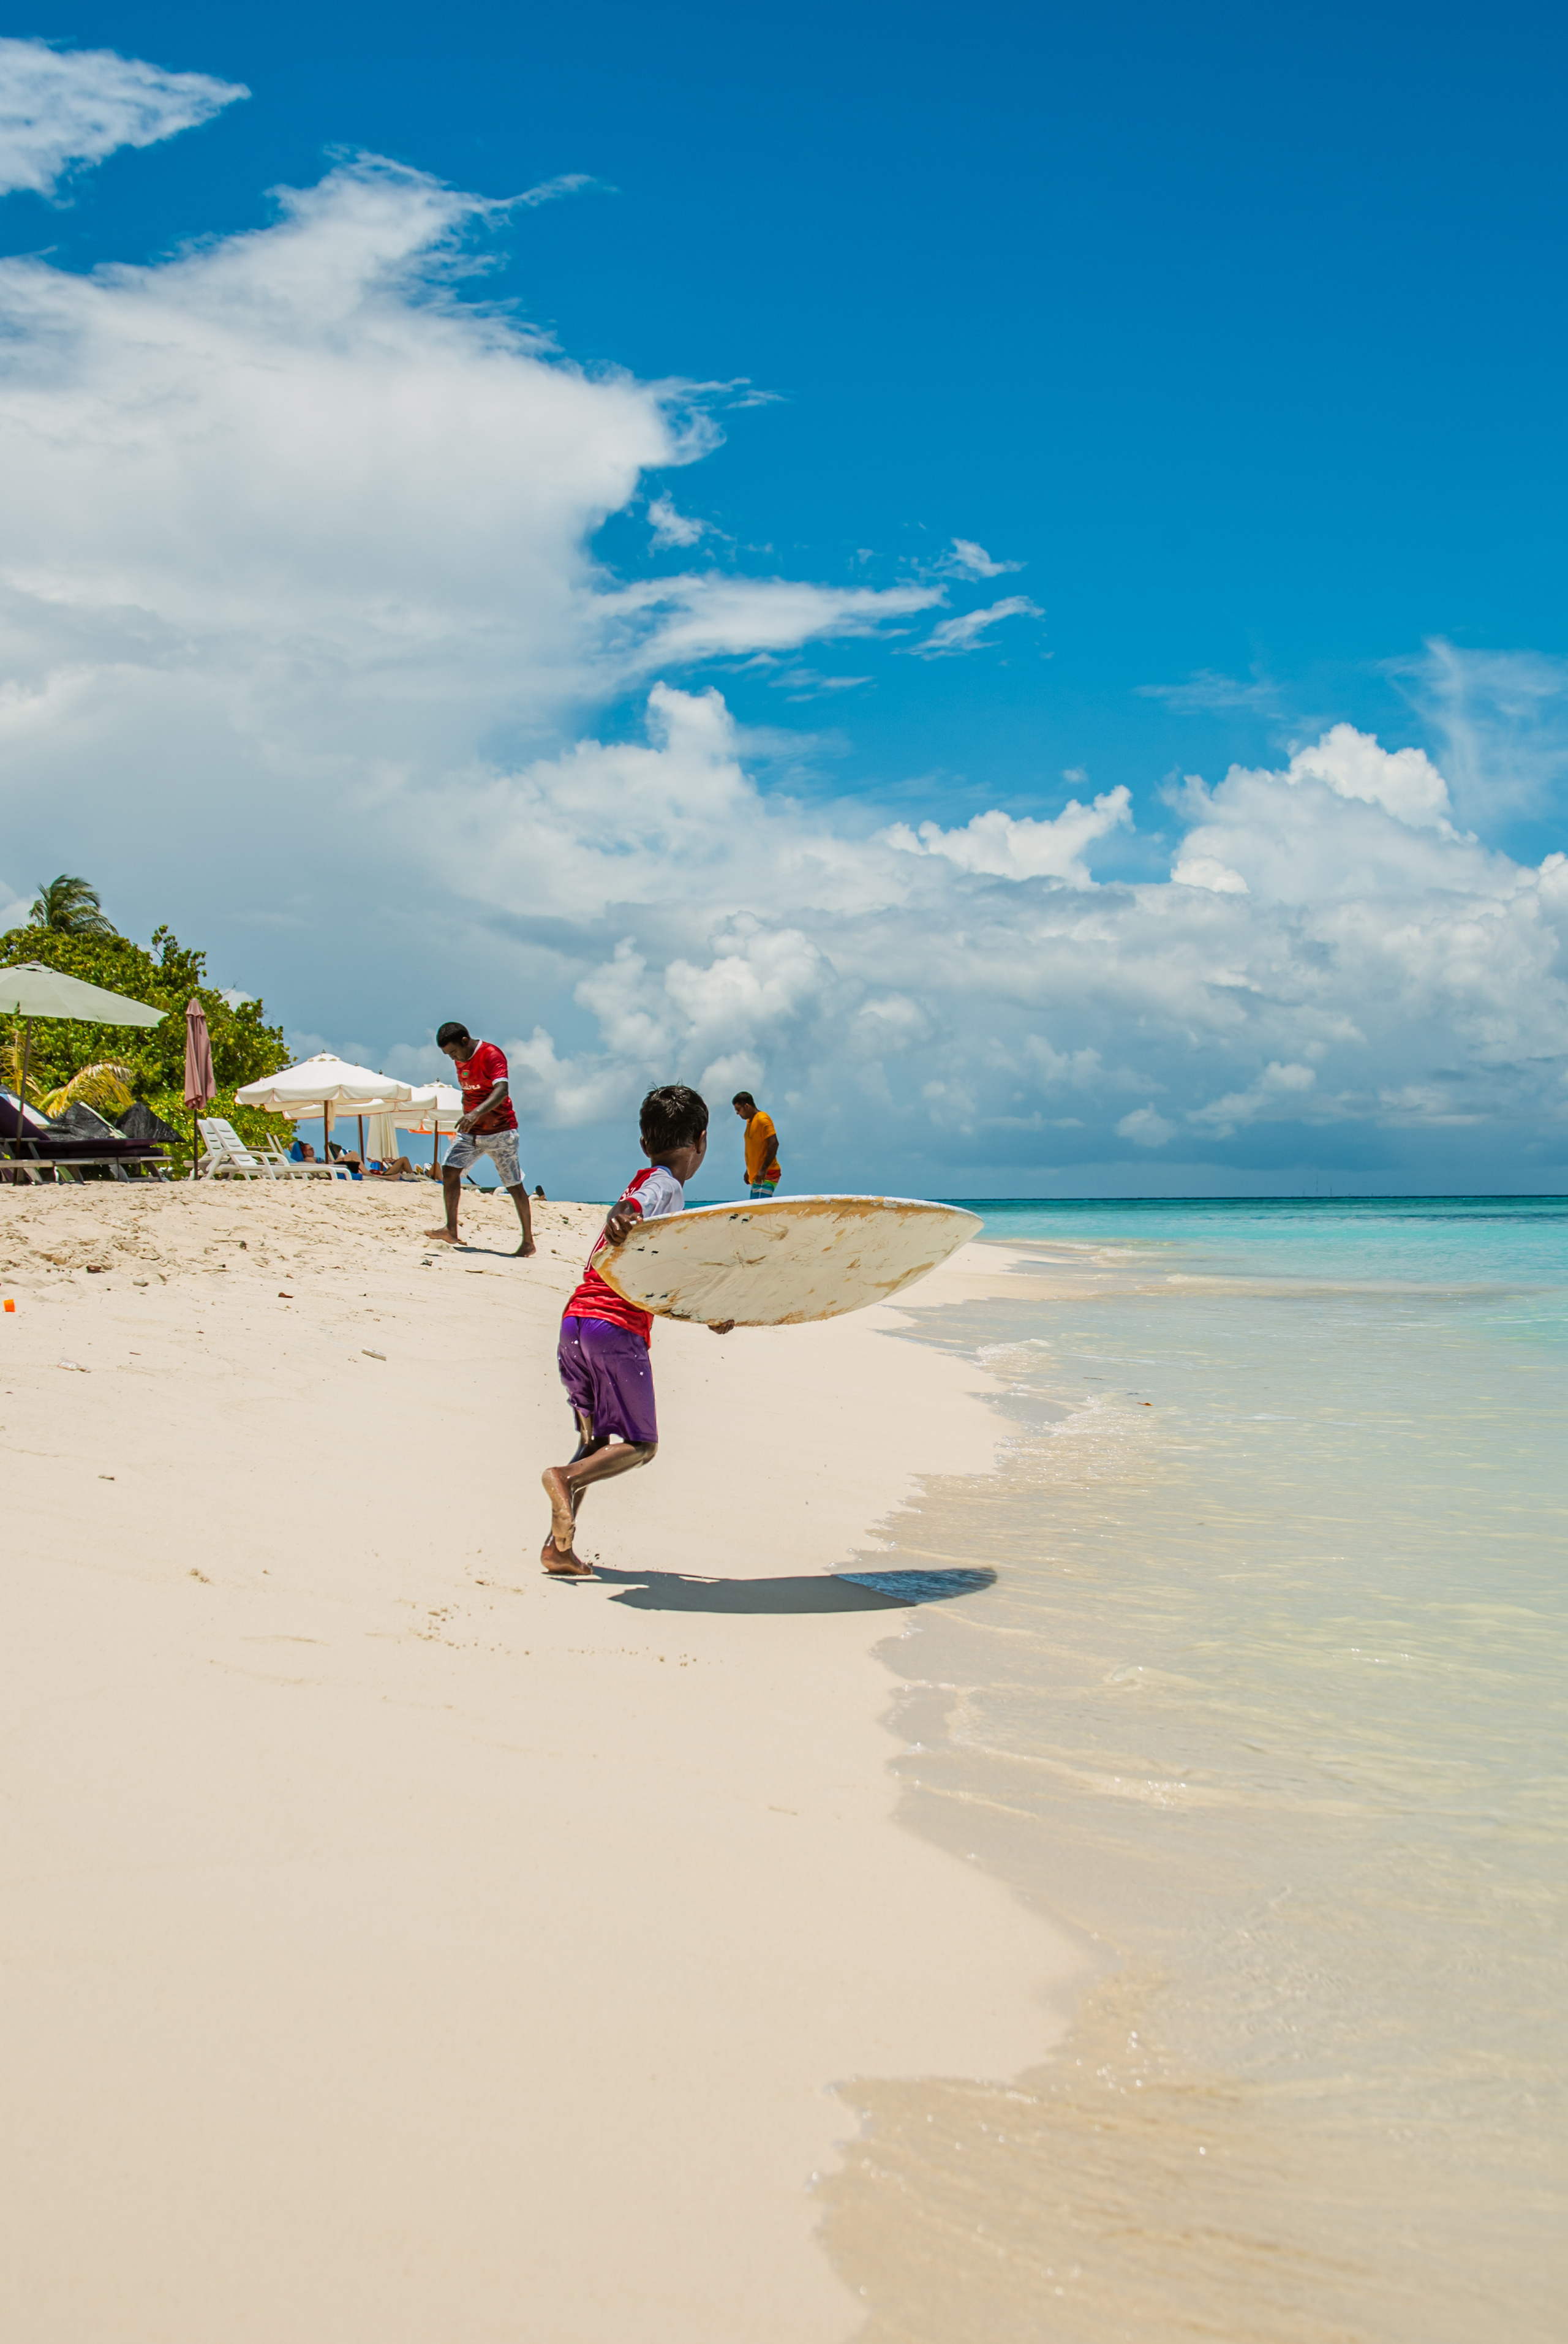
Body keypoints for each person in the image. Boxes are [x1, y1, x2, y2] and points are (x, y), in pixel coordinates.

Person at [541, 1084, 731, 1577]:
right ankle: (562, 1478)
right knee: (641, 1445)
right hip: (615, 1330)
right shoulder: (665, 1185)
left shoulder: (646, 1174)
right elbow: (632, 1208)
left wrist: (705, 1310)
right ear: (703, 1141)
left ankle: (557, 1549)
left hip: (575, 1323)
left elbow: (661, 1274)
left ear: (643, 1143)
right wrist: (622, 1215)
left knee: (594, 1442)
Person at [425, 1021, 535, 1257]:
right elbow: (470, 1090)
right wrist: (468, 1113)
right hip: (471, 1132)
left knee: (514, 1185)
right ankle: (451, 1229)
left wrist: (476, 1113)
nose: (453, 1058)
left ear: (465, 1041)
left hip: (501, 1131)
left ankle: (528, 1242)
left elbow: (502, 1090)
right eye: (448, 1055)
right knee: (450, 1169)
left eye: (454, 1052)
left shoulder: (491, 1055)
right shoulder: (460, 1059)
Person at [732, 1090, 781, 1199]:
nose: (737, 1113)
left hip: (768, 1173)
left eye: (738, 1110)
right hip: (758, 1174)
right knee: (755, 1206)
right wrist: (748, 1170)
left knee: (758, 1206)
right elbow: (756, 1149)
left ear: (746, 1106)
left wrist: (763, 1169)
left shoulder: (762, 1119)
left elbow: (774, 1143)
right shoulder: (750, 1122)